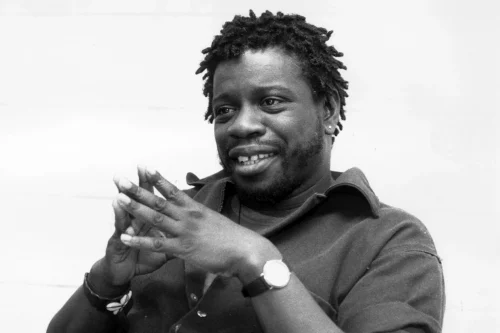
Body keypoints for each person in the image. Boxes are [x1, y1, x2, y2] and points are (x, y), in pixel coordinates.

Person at [47, 10, 445, 333]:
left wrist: (256, 260)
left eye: (270, 102)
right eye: (225, 110)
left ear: (329, 110)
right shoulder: (174, 216)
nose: (240, 125)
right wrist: (108, 279)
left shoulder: (389, 241)